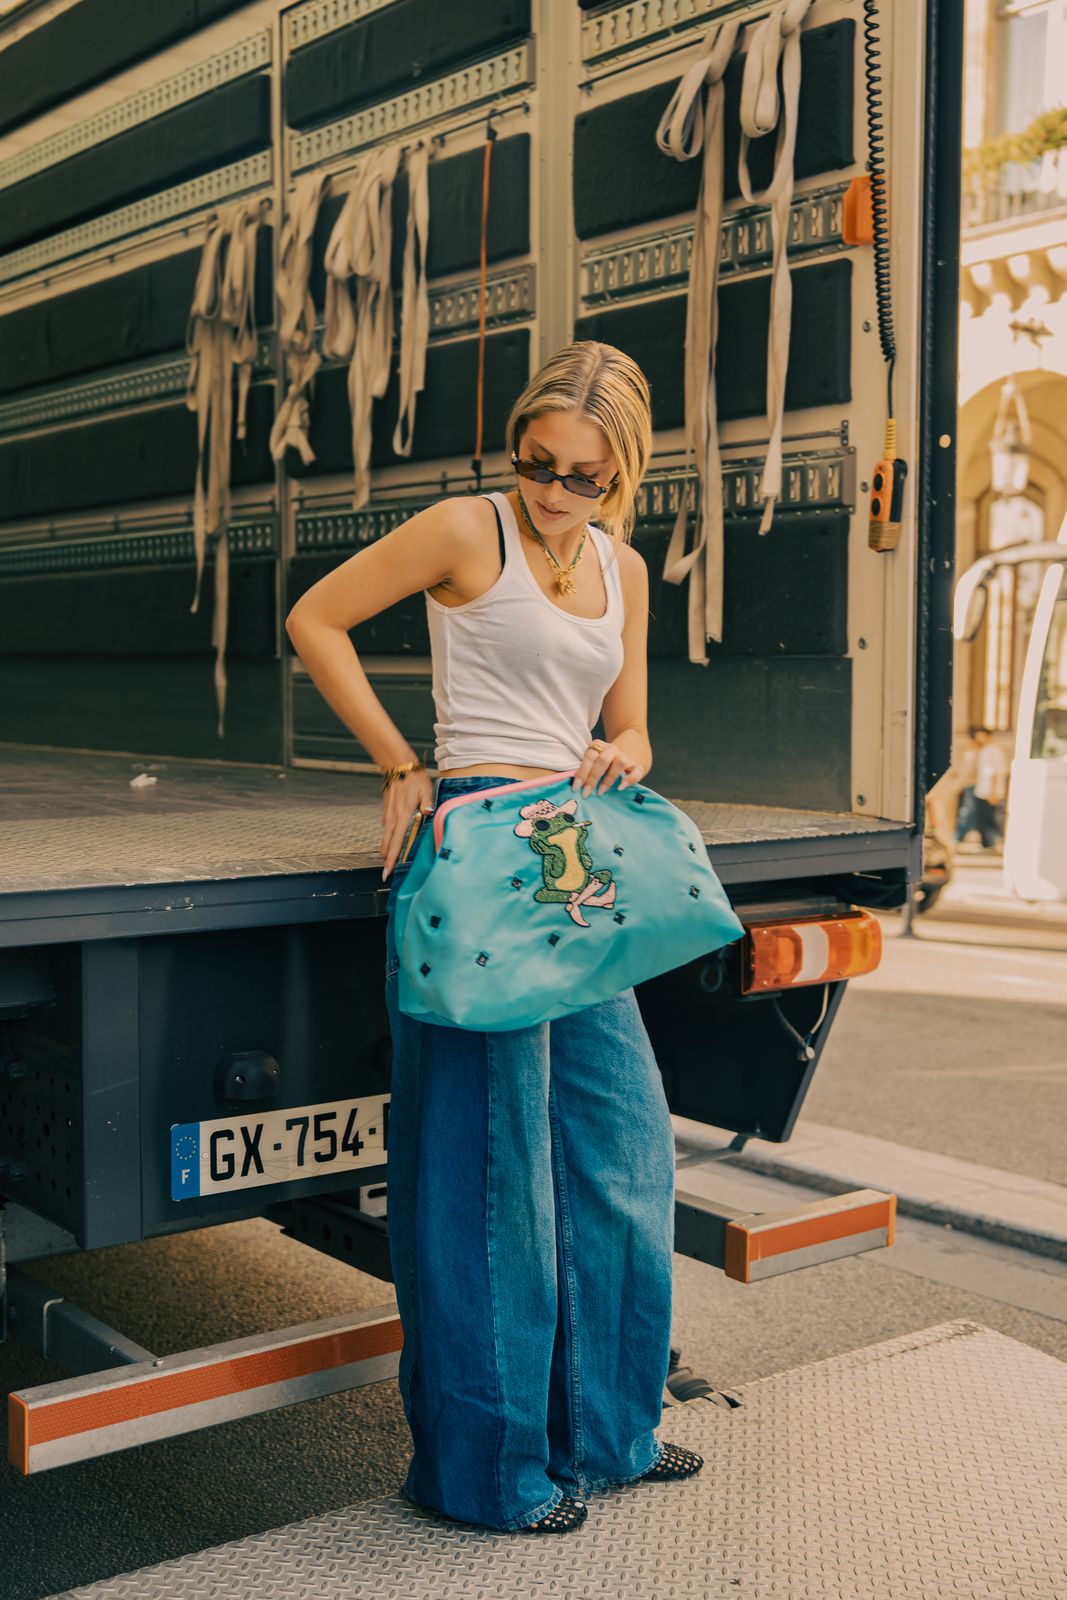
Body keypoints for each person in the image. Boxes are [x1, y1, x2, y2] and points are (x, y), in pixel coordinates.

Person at [285, 341, 700, 1535]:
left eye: (581, 474)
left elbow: (627, 722)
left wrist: (630, 753)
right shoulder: (470, 529)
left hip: (573, 869)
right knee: (484, 1178)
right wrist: (400, 763)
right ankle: (490, 1473)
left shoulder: (619, 564)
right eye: (537, 465)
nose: (553, 491)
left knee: (621, 1159)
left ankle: (611, 1435)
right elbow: (317, 618)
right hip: (473, 854)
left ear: (620, 471)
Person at [970, 724, 1009, 850]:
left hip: (989, 792)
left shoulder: (993, 751)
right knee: (982, 819)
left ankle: (992, 843)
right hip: (982, 790)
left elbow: (995, 774)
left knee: (990, 820)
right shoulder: (984, 750)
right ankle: (987, 843)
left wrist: (993, 793)